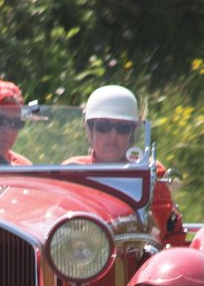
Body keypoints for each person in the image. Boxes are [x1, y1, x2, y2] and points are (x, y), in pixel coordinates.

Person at [64, 85, 182, 240]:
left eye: (123, 127)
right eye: (103, 126)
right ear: (89, 128)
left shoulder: (149, 171)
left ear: (133, 131)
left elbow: (162, 233)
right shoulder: (71, 170)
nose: (112, 135)